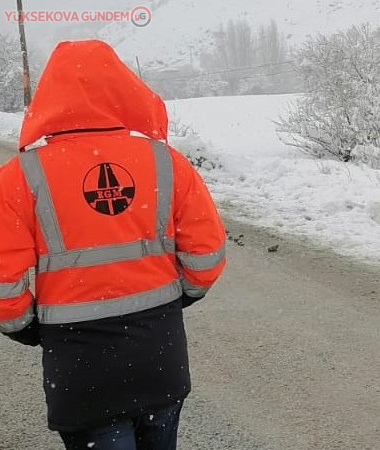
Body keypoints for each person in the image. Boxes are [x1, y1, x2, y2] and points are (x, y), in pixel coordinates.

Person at [0, 39, 226, 450]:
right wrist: (181, 295)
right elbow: (206, 252)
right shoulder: (165, 160)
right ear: (122, 87)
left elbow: (3, 276)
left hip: (80, 363)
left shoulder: (20, 175)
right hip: (160, 350)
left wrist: (22, 325)